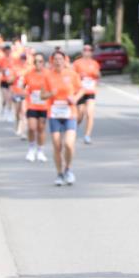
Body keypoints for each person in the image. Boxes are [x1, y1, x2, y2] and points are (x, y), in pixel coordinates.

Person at [42, 50, 84, 186]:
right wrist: (50, 94)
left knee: (69, 144)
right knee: (57, 145)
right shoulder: (48, 76)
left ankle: (68, 169)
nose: (58, 61)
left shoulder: (72, 74)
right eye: (55, 59)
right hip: (54, 114)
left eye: (60, 59)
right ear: (52, 61)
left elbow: (81, 89)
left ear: (65, 61)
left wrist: (75, 98)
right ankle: (59, 173)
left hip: (69, 113)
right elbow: (42, 95)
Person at [22, 53, 50, 162]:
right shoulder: (29, 74)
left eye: (40, 61)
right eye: (36, 61)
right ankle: (31, 149)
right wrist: (23, 93)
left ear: (44, 63)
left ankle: (40, 151)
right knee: (32, 127)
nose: (38, 63)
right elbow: (22, 86)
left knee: (41, 129)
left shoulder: (48, 74)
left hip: (44, 106)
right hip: (32, 104)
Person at [72, 44, 102, 144]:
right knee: (80, 114)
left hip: (90, 91)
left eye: (89, 50)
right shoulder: (77, 63)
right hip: (79, 92)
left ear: (92, 52)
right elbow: (72, 76)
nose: (87, 51)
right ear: (82, 51)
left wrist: (96, 75)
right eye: (85, 49)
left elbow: (98, 75)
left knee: (90, 113)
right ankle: (73, 129)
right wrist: (79, 76)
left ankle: (87, 136)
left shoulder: (95, 63)